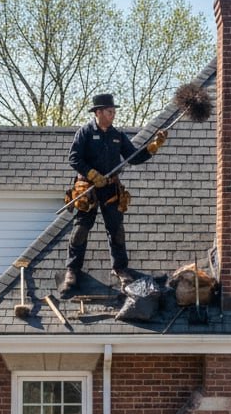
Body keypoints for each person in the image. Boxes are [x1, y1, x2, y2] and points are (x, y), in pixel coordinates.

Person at [61, 93, 166, 296]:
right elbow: (74, 158)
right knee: (81, 230)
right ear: (98, 112)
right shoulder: (85, 133)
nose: (113, 115)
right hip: (88, 188)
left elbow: (133, 157)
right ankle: (72, 270)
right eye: (110, 112)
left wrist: (153, 147)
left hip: (110, 187)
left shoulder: (117, 135)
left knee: (116, 229)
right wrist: (91, 173)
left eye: (114, 111)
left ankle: (120, 268)